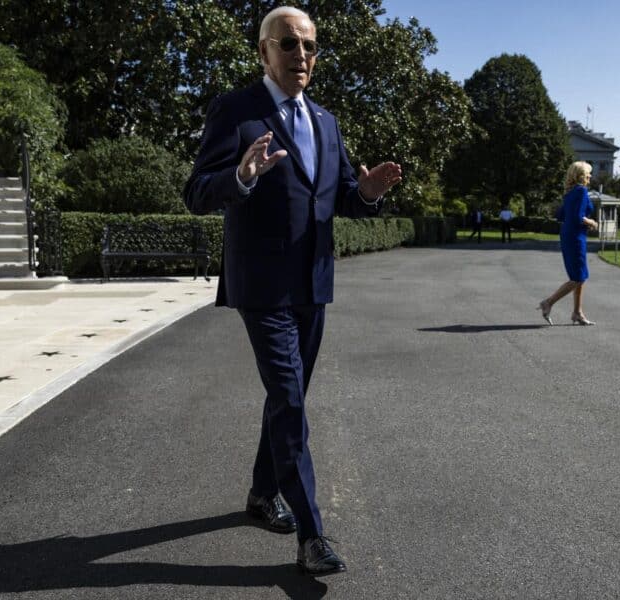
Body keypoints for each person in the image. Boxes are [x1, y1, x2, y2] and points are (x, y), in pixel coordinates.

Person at [182, 6, 402, 576]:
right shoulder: (237, 110)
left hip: (313, 284)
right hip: (262, 286)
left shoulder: (325, 120)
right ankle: (312, 534)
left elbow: (343, 195)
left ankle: (260, 496)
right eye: (288, 44)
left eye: (309, 45)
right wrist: (241, 177)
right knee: (292, 401)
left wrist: (369, 191)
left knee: (288, 398)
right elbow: (196, 191)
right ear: (264, 52)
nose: (301, 55)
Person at [538, 161, 598, 326]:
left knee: (580, 276)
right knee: (578, 277)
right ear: (581, 175)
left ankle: (577, 313)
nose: (590, 176)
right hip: (576, 237)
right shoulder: (580, 191)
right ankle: (548, 302)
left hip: (570, 236)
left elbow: (560, 215)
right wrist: (591, 222)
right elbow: (578, 217)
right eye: (588, 173)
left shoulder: (570, 193)